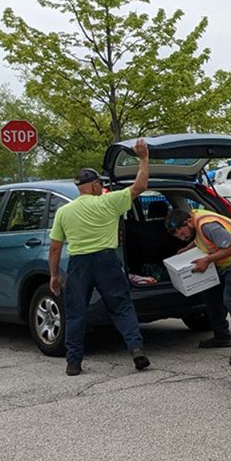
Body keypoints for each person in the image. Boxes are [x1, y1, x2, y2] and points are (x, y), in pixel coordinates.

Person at [49, 140, 151, 376]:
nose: (101, 187)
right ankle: (136, 350)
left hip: (79, 264)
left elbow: (54, 248)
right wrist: (143, 158)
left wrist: (54, 275)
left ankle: (73, 362)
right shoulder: (109, 201)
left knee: (76, 312)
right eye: (100, 184)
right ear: (94, 185)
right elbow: (140, 186)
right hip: (107, 261)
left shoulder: (64, 212)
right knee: (122, 307)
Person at [165, 207, 231, 366]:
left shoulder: (207, 225)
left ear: (188, 222)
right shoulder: (195, 223)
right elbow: (201, 240)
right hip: (225, 263)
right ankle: (222, 336)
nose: (182, 238)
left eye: (182, 233)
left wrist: (206, 260)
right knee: (210, 295)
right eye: (179, 236)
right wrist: (186, 250)